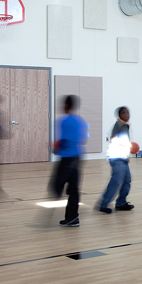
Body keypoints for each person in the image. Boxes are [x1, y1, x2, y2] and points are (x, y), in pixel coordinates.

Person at [51, 95, 89, 227]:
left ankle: (56, 198)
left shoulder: (63, 121)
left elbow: (65, 140)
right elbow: (83, 139)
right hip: (78, 157)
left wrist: (55, 147)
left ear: (66, 106)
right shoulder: (80, 121)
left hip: (67, 159)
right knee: (74, 189)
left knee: (56, 185)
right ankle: (73, 218)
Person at [99, 106, 134, 213]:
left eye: (128, 113)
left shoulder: (124, 125)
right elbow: (113, 139)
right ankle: (103, 204)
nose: (127, 115)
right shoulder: (119, 124)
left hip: (123, 158)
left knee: (126, 180)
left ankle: (121, 203)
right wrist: (128, 145)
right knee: (116, 181)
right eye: (124, 113)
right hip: (116, 158)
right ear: (119, 115)